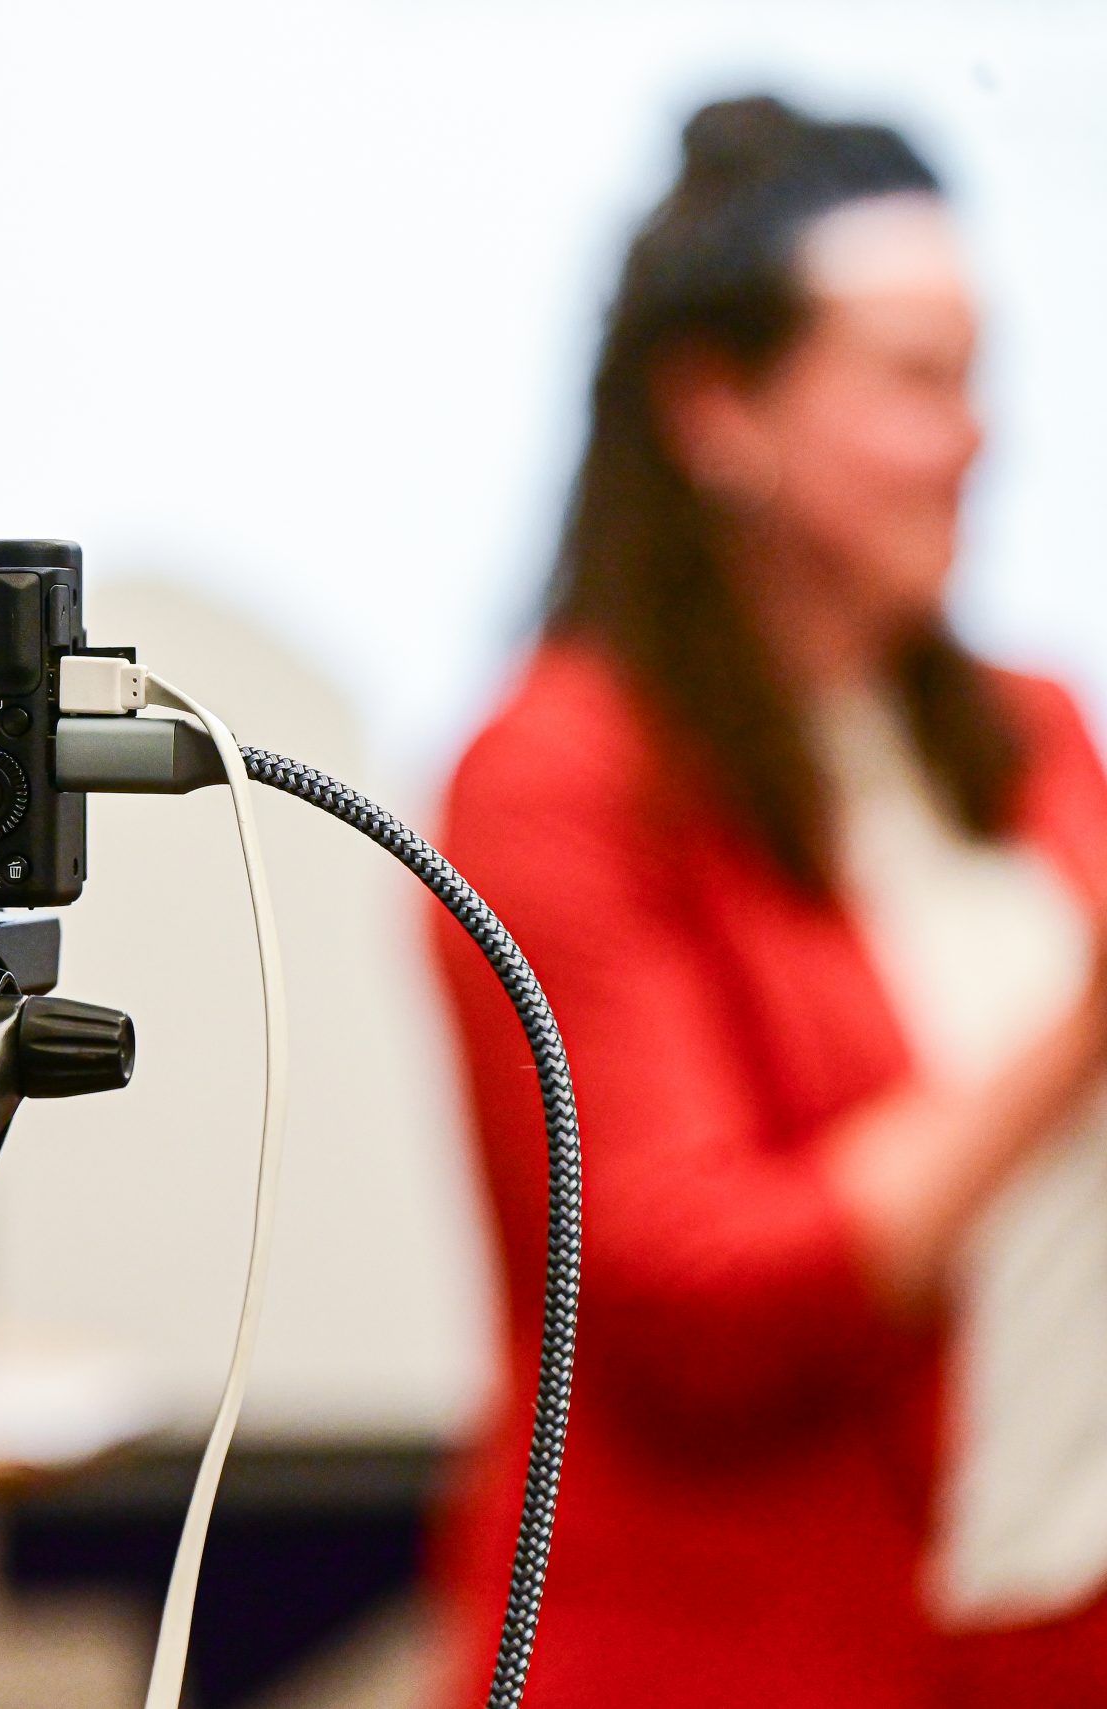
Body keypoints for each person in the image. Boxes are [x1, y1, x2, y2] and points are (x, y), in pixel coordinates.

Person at [430, 96, 1107, 1709]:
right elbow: (695, 1297)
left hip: (1049, 1625)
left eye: (978, 378)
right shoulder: (556, 775)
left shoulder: (1031, 732)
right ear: (719, 407)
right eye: (915, 381)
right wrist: (1075, 1039)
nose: (978, 438)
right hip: (743, 1654)